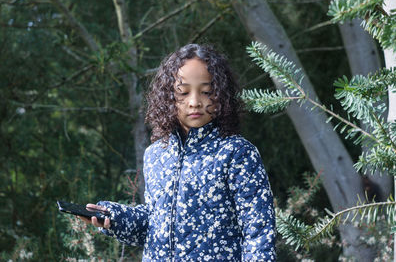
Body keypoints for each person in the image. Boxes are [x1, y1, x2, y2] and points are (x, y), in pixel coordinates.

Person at [78, 44, 276, 261]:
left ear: (221, 96)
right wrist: (115, 218)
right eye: (183, 92)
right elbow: (155, 225)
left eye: (207, 92)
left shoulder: (237, 153)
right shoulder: (155, 155)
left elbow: (259, 233)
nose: (194, 102)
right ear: (168, 96)